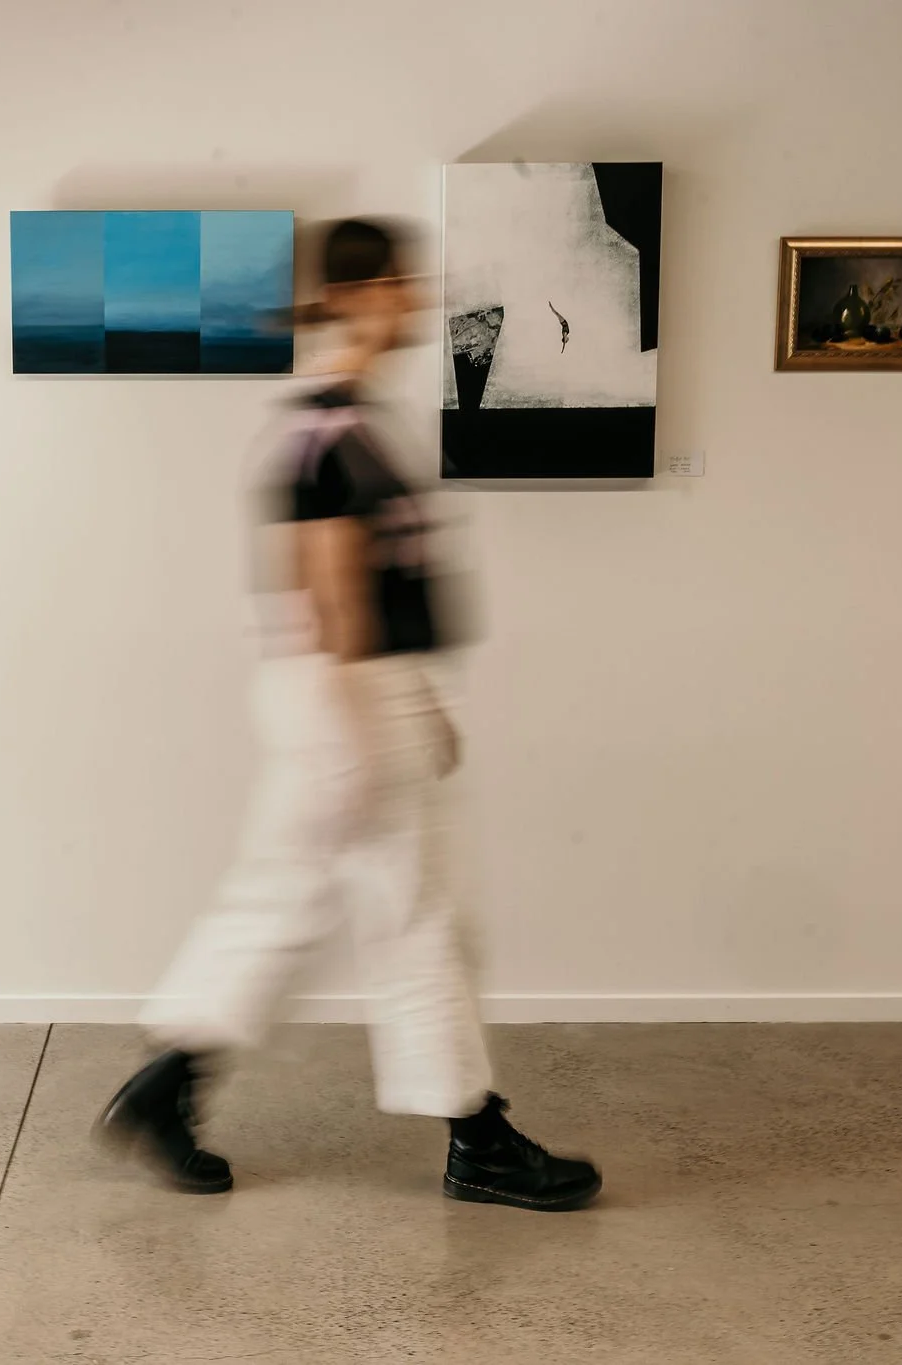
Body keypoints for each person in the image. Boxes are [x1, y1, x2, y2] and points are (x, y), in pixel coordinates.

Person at [99, 219, 602, 1213]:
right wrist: (361, 736)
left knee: (288, 904)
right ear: (363, 292)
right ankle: (476, 1140)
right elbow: (331, 604)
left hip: (354, 695)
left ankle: (168, 1087)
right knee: (414, 922)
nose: (419, 297)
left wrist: (414, 705)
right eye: (407, 281)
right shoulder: (326, 432)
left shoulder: (346, 420)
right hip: (342, 694)